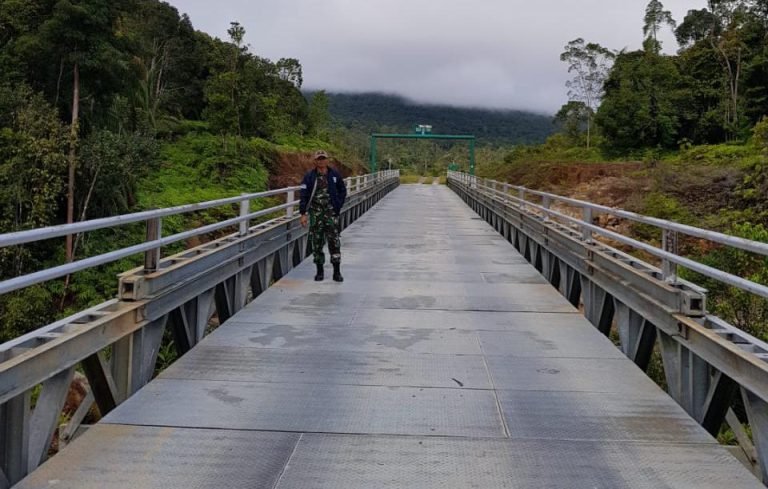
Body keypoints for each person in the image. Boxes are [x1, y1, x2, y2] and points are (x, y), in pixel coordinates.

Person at [299, 150, 347, 282]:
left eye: (323, 158)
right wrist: (303, 213)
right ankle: (319, 271)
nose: (321, 161)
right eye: (319, 159)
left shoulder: (334, 175)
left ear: (327, 160)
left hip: (331, 214)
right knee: (317, 242)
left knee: (334, 242)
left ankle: (336, 272)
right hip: (316, 214)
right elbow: (303, 195)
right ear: (315, 161)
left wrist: (338, 204)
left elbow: (342, 190)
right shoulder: (309, 177)